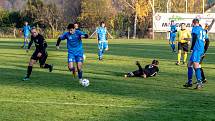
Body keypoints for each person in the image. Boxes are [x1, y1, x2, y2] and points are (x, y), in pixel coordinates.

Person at [183, 18, 206, 89]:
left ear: (193, 23)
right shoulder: (203, 30)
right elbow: (207, 40)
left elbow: (195, 37)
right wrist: (204, 50)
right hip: (200, 49)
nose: (192, 25)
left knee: (196, 66)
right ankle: (190, 82)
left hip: (196, 49)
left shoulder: (195, 28)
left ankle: (200, 83)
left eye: (192, 23)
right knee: (189, 64)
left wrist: (192, 47)